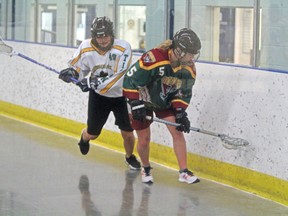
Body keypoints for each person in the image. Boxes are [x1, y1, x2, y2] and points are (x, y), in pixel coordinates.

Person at [58, 16, 140, 170]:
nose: (103, 40)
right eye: (99, 36)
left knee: (128, 132)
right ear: (93, 36)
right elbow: (78, 68)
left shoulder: (123, 47)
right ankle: (84, 137)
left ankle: (129, 157)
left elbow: (121, 74)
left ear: (112, 34)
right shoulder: (85, 47)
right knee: (93, 134)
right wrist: (72, 73)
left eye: (106, 36)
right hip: (99, 97)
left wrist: (94, 82)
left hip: (122, 96)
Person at [122, 28, 201, 184]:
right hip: (143, 101)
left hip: (164, 101)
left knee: (178, 132)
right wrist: (135, 102)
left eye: (194, 53)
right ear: (179, 51)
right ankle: (145, 168)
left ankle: (183, 171)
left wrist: (180, 111)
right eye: (190, 53)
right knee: (144, 140)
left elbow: (184, 92)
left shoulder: (188, 68)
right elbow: (130, 79)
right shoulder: (154, 58)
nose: (192, 57)